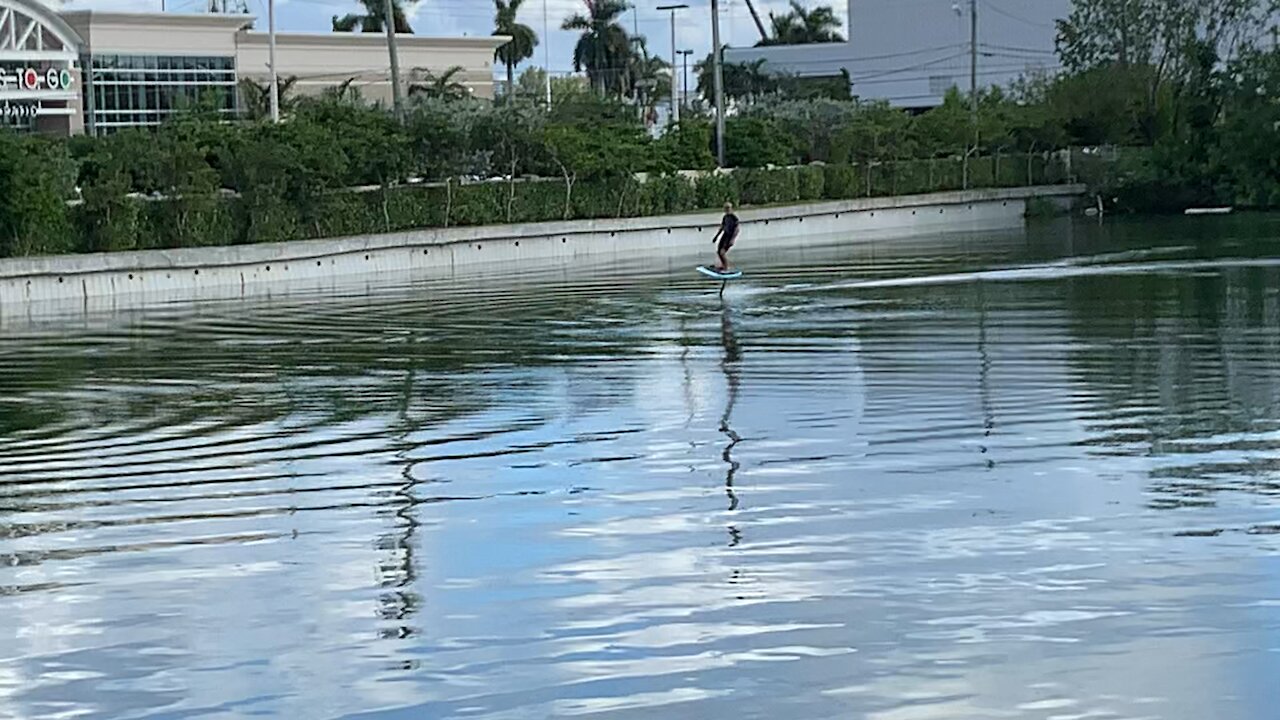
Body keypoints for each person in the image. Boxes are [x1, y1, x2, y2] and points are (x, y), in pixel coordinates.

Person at [711, 202, 740, 272]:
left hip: (730, 236)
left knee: (722, 252)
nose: (727, 210)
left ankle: (726, 267)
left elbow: (737, 229)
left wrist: (733, 239)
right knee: (718, 251)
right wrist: (716, 236)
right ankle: (723, 265)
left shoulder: (734, 217)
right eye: (725, 208)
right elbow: (722, 227)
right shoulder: (725, 217)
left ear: (731, 208)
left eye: (728, 208)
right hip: (725, 235)